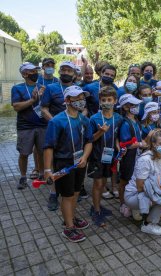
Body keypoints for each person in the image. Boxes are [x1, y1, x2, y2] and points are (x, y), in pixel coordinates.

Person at [43, 86, 92, 242]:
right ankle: (68, 228)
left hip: (79, 162)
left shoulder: (84, 119)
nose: (80, 101)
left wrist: (85, 157)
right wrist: (47, 170)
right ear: (67, 100)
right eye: (76, 98)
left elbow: (89, 142)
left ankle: (71, 217)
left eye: (82, 97)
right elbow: (48, 147)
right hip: (64, 163)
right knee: (67, 195)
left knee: (76, 193)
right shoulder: (56, 121)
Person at [41, 61, 78, 210]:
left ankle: (73, 188)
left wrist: (79, 123)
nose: (66, 73)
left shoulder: (77, 89)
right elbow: (44, 109)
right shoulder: (51, 88)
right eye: (63, 70)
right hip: (56, 130)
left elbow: (84, 109)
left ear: (74, 74)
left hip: (74, 130)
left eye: (69, 71)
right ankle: (53, 192)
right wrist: (57, 123)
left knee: (71, 158)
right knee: (54, 161)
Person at [124, 129, 161, 235]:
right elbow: (140, 187)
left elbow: (157, 178)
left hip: (144, 193)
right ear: (153, 144)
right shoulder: (145, 160)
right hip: (133, 195)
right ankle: (148, 225)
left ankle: (141, 210)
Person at [87, 87, 123, 226]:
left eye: (109, 100)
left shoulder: (118, 118)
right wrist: (100, 132)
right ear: (100, 102)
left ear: (115, 101)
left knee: (104, 183)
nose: (107, 102)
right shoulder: (94, 119)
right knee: (98, 183)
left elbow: (118, 137)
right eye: (103, 100)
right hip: (97, 156)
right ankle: (96, 211)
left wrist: (119, 149)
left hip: (111, 156)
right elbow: (90, 139)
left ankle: (98, 206)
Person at [12, 63, 47, 190]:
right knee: (24, 153)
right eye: (31, 71)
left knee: (42, 152)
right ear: (24, 74)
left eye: (35, 71)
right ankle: (22, 177)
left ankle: (42, 174)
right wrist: (32, 100)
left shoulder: (42, 87)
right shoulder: (17, 88)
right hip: (25, 127)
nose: (35, 73)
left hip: (42, 125)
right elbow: (16, 107)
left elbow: (46, 106)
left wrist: (43, 97)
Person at [118, 94, 147, 218]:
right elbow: (126, 144)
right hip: (128, 157)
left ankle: (131, 203)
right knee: (125, 179)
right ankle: (123, 203)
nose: (136, 107)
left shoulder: (136, 121)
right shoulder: (125, 123)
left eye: (136, 105)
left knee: (133, 179)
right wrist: (141, 144)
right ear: (125, 107)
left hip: (137, 156)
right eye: (133, 105)